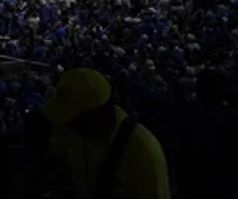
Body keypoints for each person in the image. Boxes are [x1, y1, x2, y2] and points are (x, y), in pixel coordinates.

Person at [41, 68, 170, 199]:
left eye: (73, 119)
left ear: (97, 114)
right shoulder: (74, 129)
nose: (68, 125)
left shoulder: (144, 155)